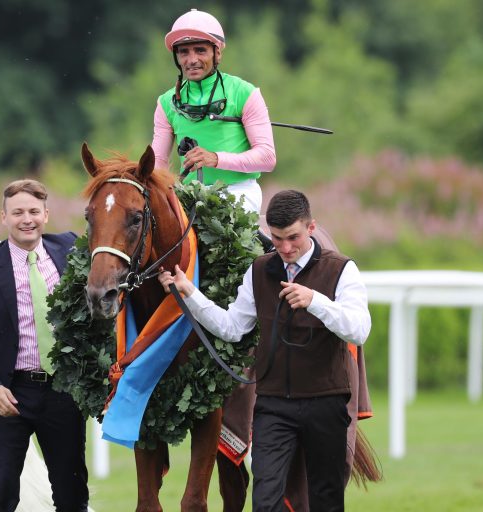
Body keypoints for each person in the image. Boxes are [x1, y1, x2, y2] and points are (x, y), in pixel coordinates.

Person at [158, 190, 371, 511]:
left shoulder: (342, 269)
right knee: (264, 500)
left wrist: (316, 302)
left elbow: (359, 328)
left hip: (326, 402)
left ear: (311, 228)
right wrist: (189, 293)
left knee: (325, 501)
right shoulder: (258, 270)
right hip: (273, 407)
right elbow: (232, 327)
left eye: (293, 238)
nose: (285, 248)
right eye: (277, 238)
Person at [0, 179, 88, 512]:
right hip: (8, 393)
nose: (26, 219)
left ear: (46, 214)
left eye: (33, 211)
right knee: (0, 495)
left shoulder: (71, 250)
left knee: (71, 494)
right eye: (17, 212)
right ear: (4, 217)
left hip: (62, 393)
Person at [152, 8, 277, 215]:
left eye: (200, 50)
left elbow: (267, 158)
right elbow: (158, 162)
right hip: (187, 194)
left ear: (217, 52)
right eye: (184, 52)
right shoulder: (166, 102)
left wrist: (215, 158)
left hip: (238, 193)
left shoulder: (244, 92)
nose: (191, 60)